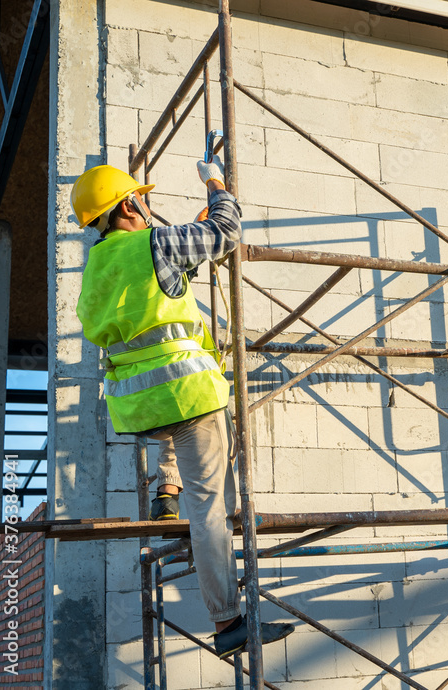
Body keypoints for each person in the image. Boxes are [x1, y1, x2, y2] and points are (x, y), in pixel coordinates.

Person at [72, 161, 294, 658]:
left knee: (185, 475)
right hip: (191, 396)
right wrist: (216, 185)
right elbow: (226, 232)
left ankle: (164, 491)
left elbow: (146, 301)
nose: (148, 207)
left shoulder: (96, 271)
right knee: (210, 510)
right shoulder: (157, 243)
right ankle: (229, 621)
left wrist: (182, 246)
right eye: (142, 200)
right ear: (128, 205)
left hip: (140, 410)